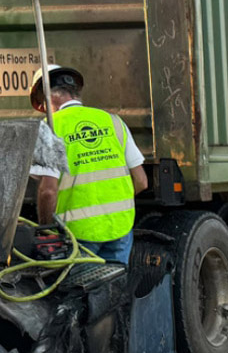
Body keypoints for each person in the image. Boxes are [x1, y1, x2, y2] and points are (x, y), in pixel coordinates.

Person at [28, 64, 147, 264]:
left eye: (41, 104)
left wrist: (46, 230)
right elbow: (142, 181)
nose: (42, 110)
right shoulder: (113, 121)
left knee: (80, 293)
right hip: (120, 228)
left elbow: (48, 191)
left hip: (77, 235)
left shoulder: (49, 127)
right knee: (114, 290)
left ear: (48, 98)